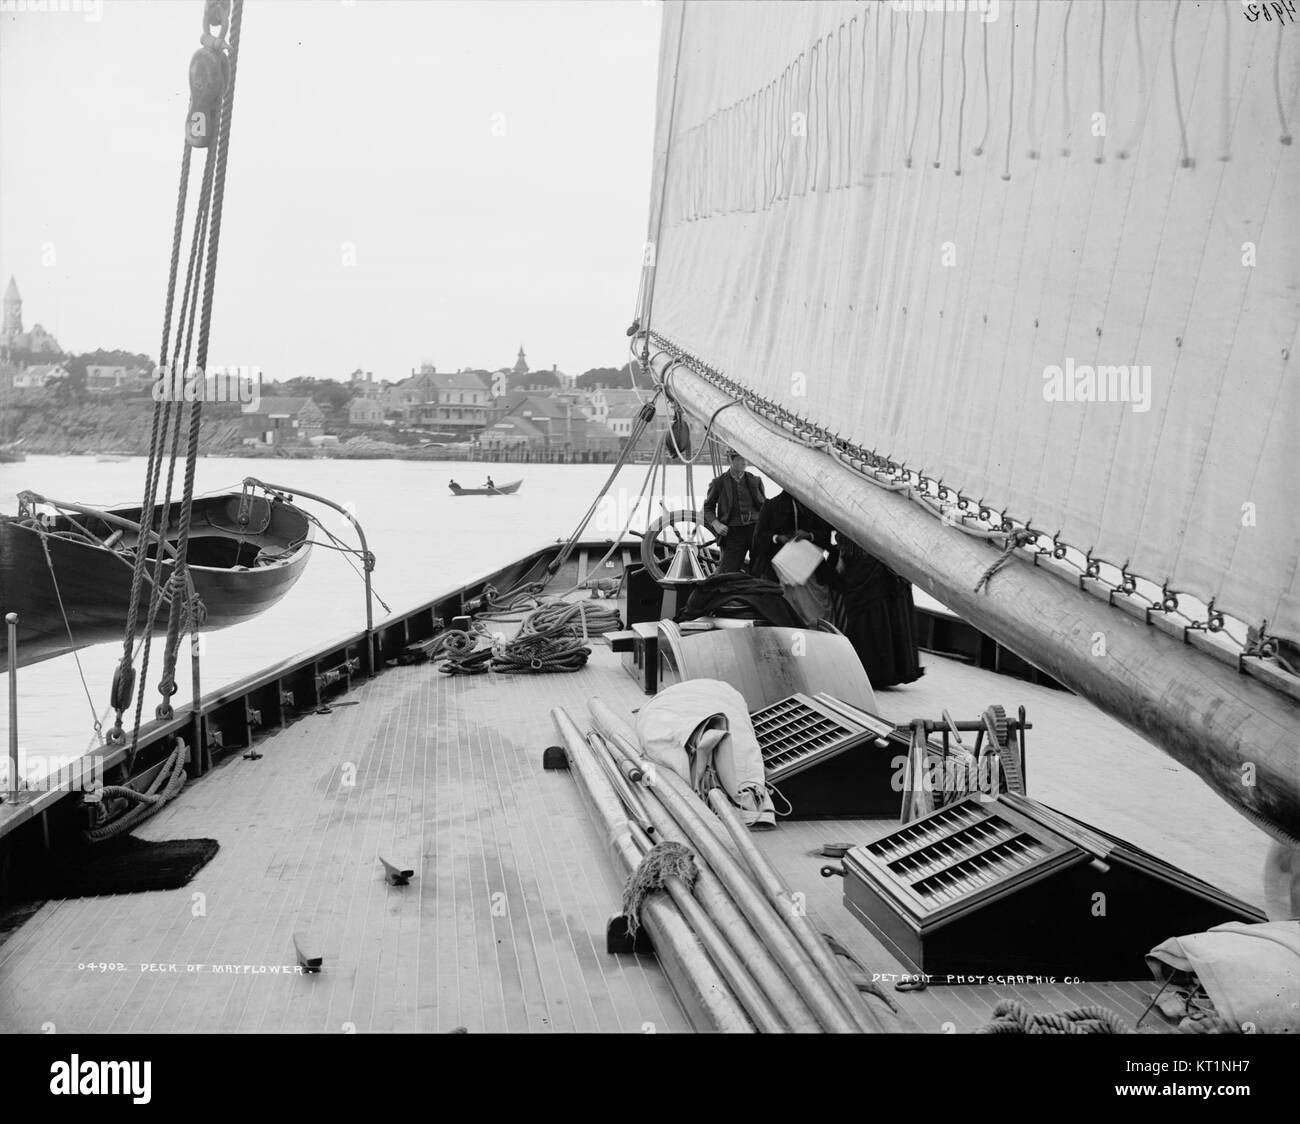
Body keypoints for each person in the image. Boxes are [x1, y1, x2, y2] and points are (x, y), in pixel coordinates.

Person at [827, 534, 924, 688]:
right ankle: (881, 670)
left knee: (871, 612)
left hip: (870, 562)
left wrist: (842, 551)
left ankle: (870, 670)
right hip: (880, 559)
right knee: (877, 612)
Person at [701, 449, 765, 573]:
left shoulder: (755, 480)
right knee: (727, 571)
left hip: (755, 530)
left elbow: (764, 507)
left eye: (746, 459)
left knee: (759, 569)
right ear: (730, 460)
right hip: (733, 533)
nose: (745, 462)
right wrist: (716, 524)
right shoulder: (718, 483)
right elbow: (707, 507)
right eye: (741, 459)